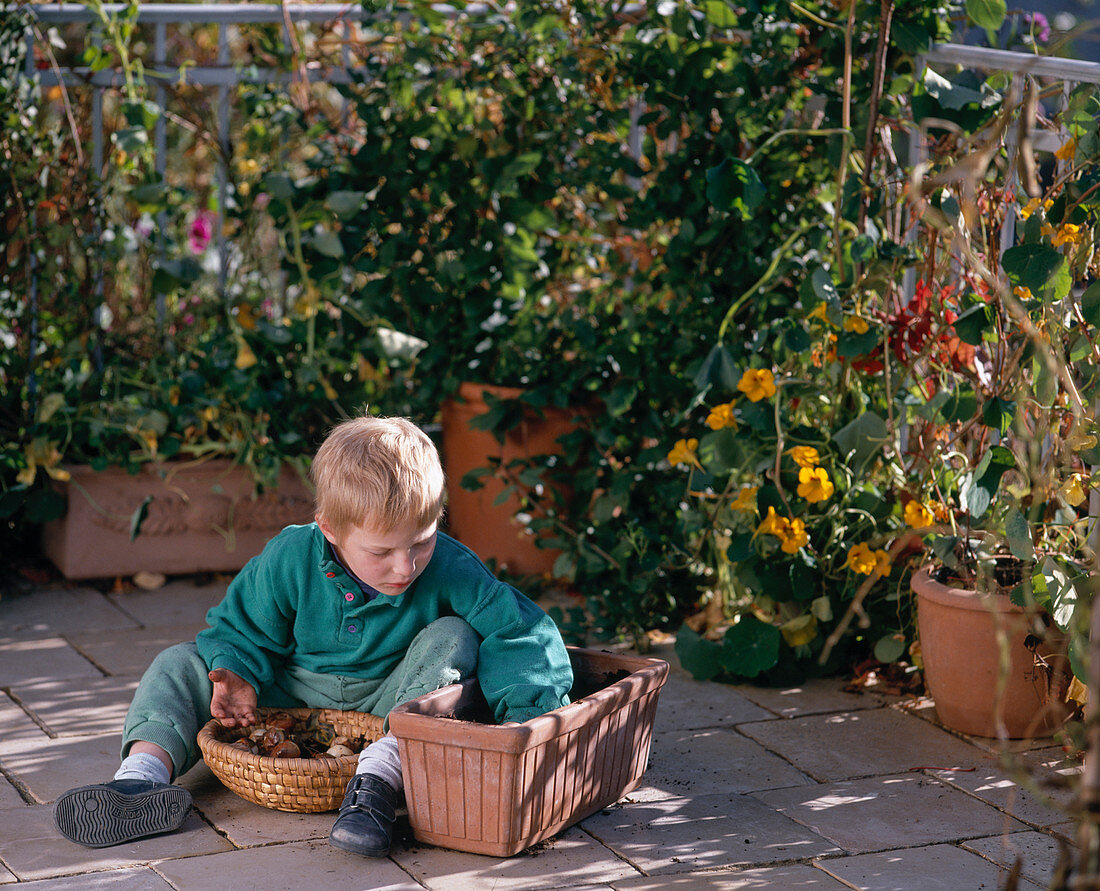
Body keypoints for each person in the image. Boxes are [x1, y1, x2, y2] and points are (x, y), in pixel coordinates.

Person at [53, 416, 574, 857]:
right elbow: (238, 625)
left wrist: (528, 721)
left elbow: (520, 630)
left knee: (455, 637)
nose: (405, 566)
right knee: (177, 662)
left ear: (437, 517)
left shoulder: (451, 565)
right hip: (291, 691)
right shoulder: (291, 556)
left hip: (389, 701)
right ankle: (140, 780)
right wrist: (233, 672)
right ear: (329, 528)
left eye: (420, 542)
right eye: (382, 552)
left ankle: (379, 780)